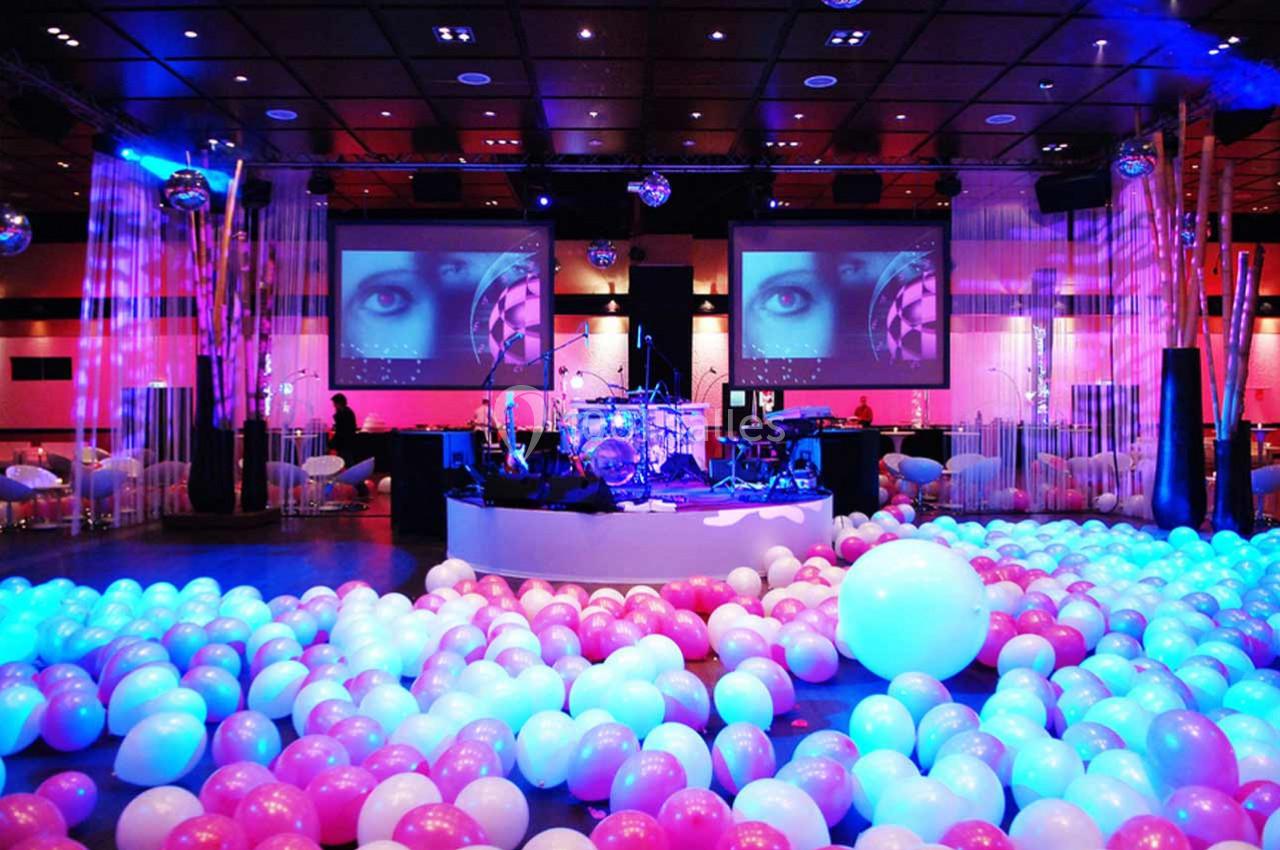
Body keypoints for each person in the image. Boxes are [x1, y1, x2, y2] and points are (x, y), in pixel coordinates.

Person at [330, 393, 357, 466]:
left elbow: (340, 429)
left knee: (346, 460)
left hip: (344, 442)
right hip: (348, 441)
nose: (334, 405)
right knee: (347, 460)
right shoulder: (348, 412)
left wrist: (332, 442)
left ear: (339, 403)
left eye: (334, 403)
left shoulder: (343, 413)